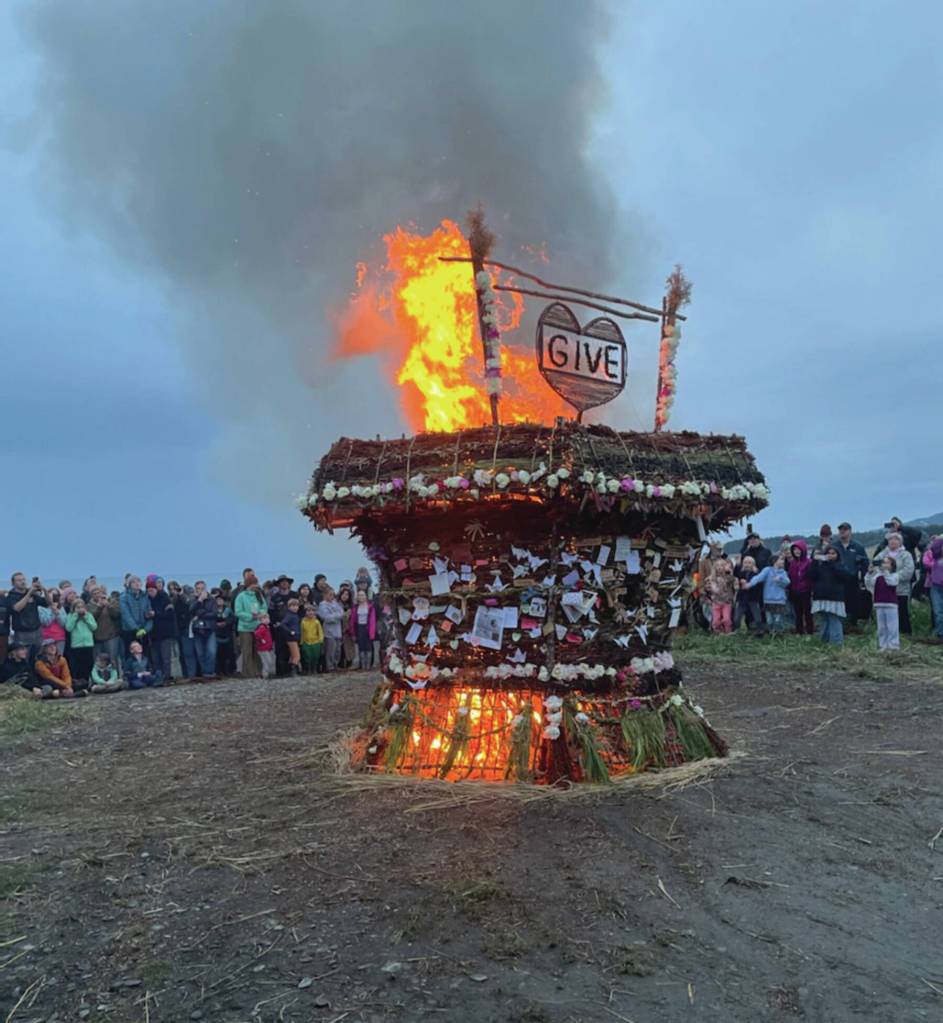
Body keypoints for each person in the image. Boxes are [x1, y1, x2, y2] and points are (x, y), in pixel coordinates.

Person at [809, 545, 854, 645]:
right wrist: (814, 561)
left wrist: (832, 564)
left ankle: (836, 642)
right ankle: (824, 641)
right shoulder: (820, 566)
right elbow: (811, 575)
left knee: (834, 619)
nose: (830, 555)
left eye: (833, 553)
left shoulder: (840, 565)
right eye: (828, 553)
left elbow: (846, 576)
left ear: (837, 555)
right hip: (821, 597)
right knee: (825, 619)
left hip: (835, 598)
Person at [873, 532, 916, 635]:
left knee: (902, 613)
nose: (892, 541)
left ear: (900, 542)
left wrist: (893, 577)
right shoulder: (882, 554)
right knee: (886, 615)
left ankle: (905, 635)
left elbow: (908, 571)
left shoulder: (906, 555)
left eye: (896, 539)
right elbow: (875, 566)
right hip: (885, 591)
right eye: (890, 539)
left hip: (901, 590)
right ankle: (887, 635)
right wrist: (884, 577)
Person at [834, 523, 868, 631]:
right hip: (838, 580)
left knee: (853, 602)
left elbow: (865, 563)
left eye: (845, 529)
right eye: (840, 530)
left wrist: (863, 579)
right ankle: (840, 625)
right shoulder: (834, 546)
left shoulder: (858, 546)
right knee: (840, 602)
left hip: (853, 580)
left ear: (850, 531)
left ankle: (853, 625)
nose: (842, 532)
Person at [7, 574, 48, 663]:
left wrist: (44, 590)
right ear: (13, 583)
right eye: (19, 580)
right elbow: (17, 608)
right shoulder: (11, 595)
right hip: (22, 633)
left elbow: (47, 603)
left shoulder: (32, 593)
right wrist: (29, 593)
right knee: (23, 658)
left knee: (38, 658)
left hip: (37, 631)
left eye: (23, 579)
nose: (22, 582)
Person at [864, 556, 901, 652]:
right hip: (879, 603)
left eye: (886, 563)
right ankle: (883, 645)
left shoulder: (894, 575)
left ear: (892, 566)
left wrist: (885, 572)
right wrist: (870, 572)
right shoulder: (877, 576)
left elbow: (892, 583)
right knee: (882, 627)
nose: (884, 565)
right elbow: (868, 585)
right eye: (883, 563)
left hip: (891, 604)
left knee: (892, 626)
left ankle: (893, 645)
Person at [746, 555, 790, 633]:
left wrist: (779, 579)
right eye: (781, 559)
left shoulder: (783, 572)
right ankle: (771, 632)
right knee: (769, 620)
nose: (783, 561)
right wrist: (750, 583)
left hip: (779, 600)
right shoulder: (767, 570)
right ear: (775, 561)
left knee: (778, 620)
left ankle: (778, 633)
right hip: (768, 600)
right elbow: (758, 577)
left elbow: (787, 582)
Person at [234, 572, 266, 676]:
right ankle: (248, 673)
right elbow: (238, 612)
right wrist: (251, 616)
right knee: (246, 651)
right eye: (254, 584)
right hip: (244, 628)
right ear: (248, 585)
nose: (256, 585)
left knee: (257, 651)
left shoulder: (259, 595)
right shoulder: (241, 596)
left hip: (257, 627)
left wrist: (261, 614)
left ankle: (258, 671)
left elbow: (264, 607)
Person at [146, 577, 178, 681]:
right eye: (149, 591)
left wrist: (156, 614)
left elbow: (170, 614)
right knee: (155, 658)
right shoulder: (147, 601)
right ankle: (158, 676)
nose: (150, 592)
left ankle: (167, 676)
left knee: (166, 657)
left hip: (165, 632)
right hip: (153, 633)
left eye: (152, 590)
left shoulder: (165, 598)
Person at [190, 581, 219, 680]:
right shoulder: (193, 600)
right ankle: (205, 672)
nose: (200, 590)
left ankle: (209, 672)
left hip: (210, 628)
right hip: (197, 630)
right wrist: (199, 601)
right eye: (198, 588)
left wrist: (201, 613)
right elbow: (191, 610)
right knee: (200, 652)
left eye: (202, 588)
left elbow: (214, 614)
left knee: (211, 651)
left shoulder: (212, 600)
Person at [269, 575, 297, 676]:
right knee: (280, 651)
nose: (284, 583)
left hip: (292, 627)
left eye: (286, 582)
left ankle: (292, 671)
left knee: (293, 650)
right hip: (279, 627)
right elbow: (271, 611)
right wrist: (274, 623)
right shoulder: (274, 597)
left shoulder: (295, 595)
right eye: (282, 582)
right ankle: (280, 672)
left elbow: (300, 610)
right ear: (279, 584)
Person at [90, 588, 123, 669]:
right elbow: (91, 619)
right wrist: (99, 607)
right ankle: (99, 678)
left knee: (113, 659)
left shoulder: (113, 602)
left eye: (99, 593)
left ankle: (115, 677)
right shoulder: (88, 606)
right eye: (95, 593)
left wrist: (108, 606)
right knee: (98, 660)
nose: (97, 595)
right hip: (97, 637)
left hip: (111, 636)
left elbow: (117, 615)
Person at [787, 540, 815, 636]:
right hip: (795, 591)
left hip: (805, 591)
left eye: (798, 549)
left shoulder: (808, 562)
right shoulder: (793, 563)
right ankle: (799, 631)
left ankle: (810, 631)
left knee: (807, 613)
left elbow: (811, 577)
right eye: (794, 550)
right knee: (797, 613)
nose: (797, 551)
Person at [169, 582, 197, 679]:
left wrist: (181, 594)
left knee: (188, 652)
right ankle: (186, 674)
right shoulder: (172, 599)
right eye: (171, 589)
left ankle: (191, 674)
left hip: (186, 627)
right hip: (177, 628)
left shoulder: (187, 596)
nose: (174, 591)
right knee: (182, 654)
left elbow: (190, 604)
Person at [65, 598, 97, 682]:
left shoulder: (89, 615)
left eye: (81, 607)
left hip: (88, 644)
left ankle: (88, 681)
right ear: (74, 608)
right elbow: (68, 628)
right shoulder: (70, 616)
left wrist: (86, 618)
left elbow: (94, 627)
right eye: (78, 607)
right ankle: (79, 682)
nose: (80, 609)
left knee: (88, 665)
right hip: (76, 645)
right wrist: (75, 617)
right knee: (78, 666)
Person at [119, 575, 152, 654]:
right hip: (129, 631)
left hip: (144, 631)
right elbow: (126, 615)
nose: (137, 583)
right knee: (131, 655)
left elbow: (149, 613)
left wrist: (146, 629)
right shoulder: (124, 597)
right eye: (133, 582)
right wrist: (136, 629)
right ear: (129, 585)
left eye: (138, 581)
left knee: (146, 655)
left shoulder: (145, 596)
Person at [317, 587, 345, 672]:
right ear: (325, 595)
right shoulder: (322, 605)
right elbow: (326, 618)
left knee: (338, 650)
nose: (332, 596)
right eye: (330, 594)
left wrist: (335, 615)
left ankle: (336, 665)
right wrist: (337, 616)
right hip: (329, 632)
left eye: (333, 594)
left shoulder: (336, 603)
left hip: (338, 631)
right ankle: (330, 667)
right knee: (330, 651)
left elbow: (342, 613)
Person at [733, 556, 763, 632]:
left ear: (753, 564)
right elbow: (735, 574)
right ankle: (736, 630)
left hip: (753, 598)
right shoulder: (741, 572)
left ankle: (759, 630)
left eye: (749, 563)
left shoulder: (756, 574)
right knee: (737, 617)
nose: (747, 564)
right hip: (742, 599)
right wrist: (737, 564)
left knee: (757, 617)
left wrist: (755, 574)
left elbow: (759, 584)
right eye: (745, 562)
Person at [349, 588, 377, 669]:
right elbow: (353, 620)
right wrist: (353, 632)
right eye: (359, 595)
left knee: (368, 647)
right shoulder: (355, 608)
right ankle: (362, 665)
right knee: (361, 647)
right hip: (359, 628)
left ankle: (368, 665)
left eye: (362, 595)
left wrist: (372, 633)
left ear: (366, 596)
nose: (360, 597)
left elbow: (372, 621)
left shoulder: (370, 607)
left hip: (367, 628)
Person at [276, 597, 302, 675]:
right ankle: (294, 672)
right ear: (289, 607)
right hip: (291, 638)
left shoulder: (295, 615)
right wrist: (290, 632)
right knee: (297, 656)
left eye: (296, 606)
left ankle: (289, 670)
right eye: (292, 606)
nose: (295, 607)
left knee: (292, 655)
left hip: (295, 637)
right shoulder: (290, 615)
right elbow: (282, 624)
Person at [924, 538, 943, 642]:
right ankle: (940, 634)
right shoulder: (934, 561)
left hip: (937, 587)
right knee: (938, 611)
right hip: (936, 587)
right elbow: (926, 561)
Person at [40, 588, 68, 655]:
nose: (54, 596)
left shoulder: (61, 608)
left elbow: (64, 624)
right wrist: (53, 612)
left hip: (59, 637)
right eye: (51, 594)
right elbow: (45, 622)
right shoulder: (41, 608)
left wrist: (58, 613)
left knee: (59, 658)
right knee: (47, 658)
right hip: (46, 637)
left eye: (56, 595)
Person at [215, 596, 236, 675]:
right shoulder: (213, 610)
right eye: (218, 600)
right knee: (218, 654)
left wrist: (226, 622)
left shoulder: (228, 610)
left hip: (227, 634)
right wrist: (217, 624)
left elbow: (233, 619)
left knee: (229, 654)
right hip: (217, 634)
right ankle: (219, 671)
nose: (219, 601)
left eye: (221, 600)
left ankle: (229, 670)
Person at [300, 605, 324, 674]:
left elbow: (320, 631)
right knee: (307, 657)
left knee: (315, 657)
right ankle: (308, 669)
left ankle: (314, 669)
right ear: (305, 612)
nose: (310, 612)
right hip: (306, 642)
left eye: (312, 611)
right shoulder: (303, 622)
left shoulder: (316, 622)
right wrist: (301, 642)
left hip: (316, 642)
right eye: (308, 611)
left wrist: (320, 640)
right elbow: (302, 632)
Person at [337, 582, 356, 667]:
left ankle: (349, 662)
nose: (345, 596)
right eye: (343, 594)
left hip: (349, 629)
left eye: (347, 595)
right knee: (340, 647)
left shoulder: (351, 606)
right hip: (339, 628)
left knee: (349, 646)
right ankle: (340, 663)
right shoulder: (337, 604)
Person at [255, 614, 276, 678]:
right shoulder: (262, 627)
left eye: (267, 619)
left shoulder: (267, 627)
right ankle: (265, 674)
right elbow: (256, 634)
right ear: (260, 620)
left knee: (268, 661)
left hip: (267, 648)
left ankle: (265, 674)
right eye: (264, 619)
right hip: (262, 648)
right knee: (267, 661)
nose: (266, 620)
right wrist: (262, 639)